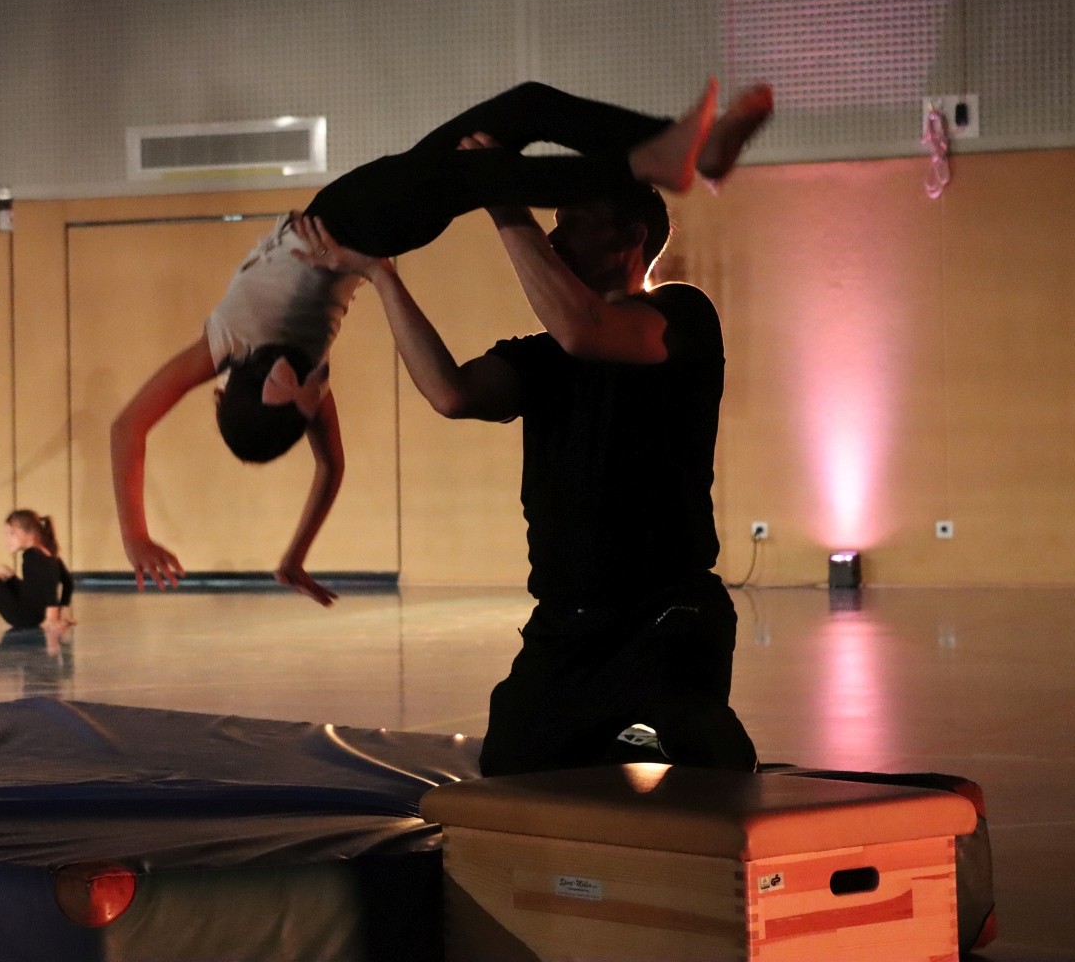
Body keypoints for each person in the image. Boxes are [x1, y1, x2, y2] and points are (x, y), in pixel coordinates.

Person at [111, 79, 773, 602]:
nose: (313, 382)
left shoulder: (223, 344)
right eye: (311, 392)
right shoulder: (308, 382)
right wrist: (296, 552)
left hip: (354, 210)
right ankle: (653, 160)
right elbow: (332, 467)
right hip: (366, 224)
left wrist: (136, 536)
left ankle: (678, 148)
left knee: (524, 108)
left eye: (292, 382)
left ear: (250, 382)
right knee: (485, 170)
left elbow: (128, 426)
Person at [293, 137, 762, 778]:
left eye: (574, 222)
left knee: (701, 751)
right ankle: (627, 739)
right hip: (567, 625)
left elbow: (586, 329)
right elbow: (451, 392)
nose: (555, 238)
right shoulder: (544, 355)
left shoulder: (681, 314)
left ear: (631, 236)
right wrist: (382, 276)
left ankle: (666, 737)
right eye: (552, 222)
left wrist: (501, 197)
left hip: (667, 612)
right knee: (512, 771)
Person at [0, 510, 73, 635]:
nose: (8, 539)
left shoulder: (31, 555)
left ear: (31, 534)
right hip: (35, 614)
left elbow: (48, 584)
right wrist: (63, 610)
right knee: (3, 571)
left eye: (12, 534)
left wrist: (52, 617)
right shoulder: (50, 554)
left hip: (23, 616)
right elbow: (68, 582)